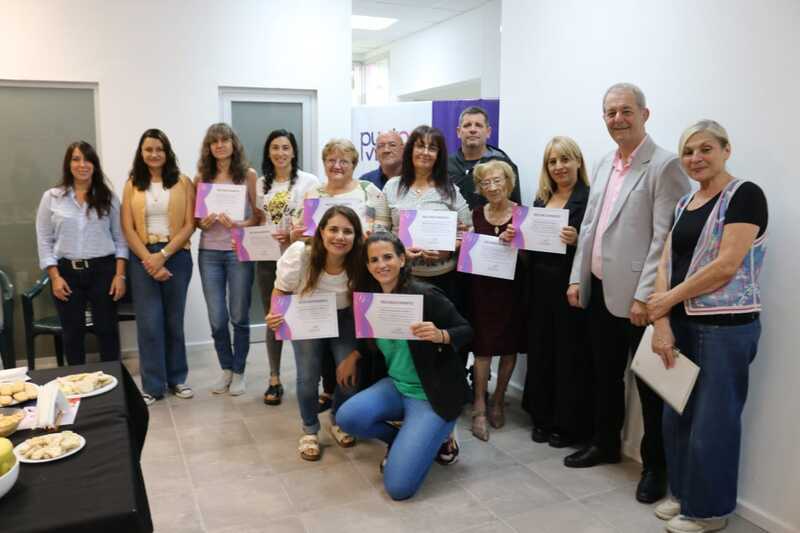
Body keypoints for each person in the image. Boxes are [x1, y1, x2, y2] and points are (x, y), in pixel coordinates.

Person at [566, 83, 690, 505]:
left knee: (651, 388)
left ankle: (655, 466)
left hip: (639, 299)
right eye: (610, 112)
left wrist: (645, 297)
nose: (617, 118)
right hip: (600, 289)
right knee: (605, 375)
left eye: (625, 111)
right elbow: (590, 227)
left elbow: (664, 238)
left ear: (644, 114)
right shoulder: (603, 162)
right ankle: (605, 444)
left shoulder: (665, 164)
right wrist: (577, 276)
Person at [647, 120, 767, 533]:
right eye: (688, 152)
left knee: (713, 423)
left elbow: (726, 266)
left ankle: (709, 511)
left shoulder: (745, 196)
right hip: (680, 323)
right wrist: (661, 317)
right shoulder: (685, 203)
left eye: (705, 149)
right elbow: (666, 262)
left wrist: (667, 300)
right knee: (675, 416)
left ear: (726, 150)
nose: (696, 158)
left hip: (725, 329)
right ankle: (682, 495)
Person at [336, 232, 472, 500]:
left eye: (387, 257)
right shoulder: (370, 300)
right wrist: (353, 356)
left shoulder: (425, 294)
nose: (381, 264)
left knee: (398, 488)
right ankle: (402, 438)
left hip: (433, 393)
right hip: (397, 385)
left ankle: (442, 434)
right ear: (367, 266)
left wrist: (441, 335)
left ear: (401, 259)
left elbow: (466, 330)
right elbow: (370, 340)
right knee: (346, 418)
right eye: (373, 260)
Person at [266, 206, 364, 461]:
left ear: (356, 236)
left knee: (348, 374)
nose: (339, 237)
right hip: (307, 315)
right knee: (308, 376)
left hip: (344, 317)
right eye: (333, 229)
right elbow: (280, 289)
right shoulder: (301, 254)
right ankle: (309, 430)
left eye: (347, 231)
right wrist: (274, 314)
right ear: (321, 231)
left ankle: (339, 421)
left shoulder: (360, 259)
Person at [521, 136, 591, 448]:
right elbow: (530, 250)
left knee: (568, 354)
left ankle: (566, 423)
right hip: (538, 287)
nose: (559, 167)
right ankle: (541, 417)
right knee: (540, 351)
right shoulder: (540, 200)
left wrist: (578, 240)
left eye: (565, 159)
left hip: (568, 287)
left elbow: (598, 247)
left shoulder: (589, 200)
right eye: (552, 161)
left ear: (578, 162)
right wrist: (517, 237)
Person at [35, 141, 129, 365]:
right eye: (76, 159)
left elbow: (121, 240)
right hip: (66, 272)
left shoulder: (109, 198)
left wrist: (119, 275)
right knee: (72, 333)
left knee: (107, 331)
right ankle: (76, 386)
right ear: (68, 164)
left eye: (87, 160)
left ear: (94, 165)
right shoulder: (52, 198)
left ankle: (113, 383)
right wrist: (55, 277)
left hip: (103, 271)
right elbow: (44, 240)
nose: (82, 164)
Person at [122, 129, 196, 406]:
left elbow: (190, 224)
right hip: (142, 256)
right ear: (141, 153)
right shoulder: (132, 184)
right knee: (149, 324)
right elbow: (127, 227)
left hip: (176, 255)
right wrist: (149, 259)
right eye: (148, 149)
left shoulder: (182, 182)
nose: (154, 154)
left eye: (159, 149)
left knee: (173, 322)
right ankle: (153, 386)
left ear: (167, 152)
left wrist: (162, 255)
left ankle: (177, 378)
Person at [255, 129, 319, 405]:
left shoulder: (310, 181)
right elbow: (259, 221)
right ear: (268, 153)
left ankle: (308, 380)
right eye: (275, 148)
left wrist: (295, 236)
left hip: (301, 259)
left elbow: (316, 224)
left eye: (285, 147)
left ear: (293, 151)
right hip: (268, 260)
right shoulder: (261, 184)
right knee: (274, 318)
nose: (280, 152)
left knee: (304, 320)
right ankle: (274, 378)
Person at [195, 123, 258, 396]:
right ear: (209, 147)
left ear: (234, 144)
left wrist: (239, 222)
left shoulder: (248, 175)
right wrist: (204, 222)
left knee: (239, 316)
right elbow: (196, 221)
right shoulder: (201, 178)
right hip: (209, 252)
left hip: (238, 251)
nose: (220, 145)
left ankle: (240, 372)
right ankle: (226, 369)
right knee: (217, 318)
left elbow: (257, 216)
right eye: (214, 141)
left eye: (225, 140)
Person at [466, 160, 526, 441]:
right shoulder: (475, 214)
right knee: (482, 349)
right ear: (479, 187)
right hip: (482, 292)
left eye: (497, 180)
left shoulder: (523, 215)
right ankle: (479, 404)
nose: (492, 187)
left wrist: (520, 242)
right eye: (485, 182)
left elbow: (533, 257)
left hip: (513, 292)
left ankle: (499, 399)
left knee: (509, 347)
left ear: (508, 182)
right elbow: (467, 256)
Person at [382, 125, 472, 298]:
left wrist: (450, 248)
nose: (425, 152)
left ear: (439, 155)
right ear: (410, 150)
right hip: (401, 275)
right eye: (420, 146)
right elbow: (381, 228)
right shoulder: (392, 186)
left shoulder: (450, 190)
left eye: (432, 148)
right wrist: (399, 251)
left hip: (444, 278)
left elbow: (468, 230)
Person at [293, 138, 391, 240]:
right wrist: (294, 236)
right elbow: (298, 231)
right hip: (317, 254)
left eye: (344, 162)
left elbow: (382, 236)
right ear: (324, 163)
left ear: (354, 165)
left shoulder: (370, 192)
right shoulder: (312, 194)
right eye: (331, 160)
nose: (337, 166)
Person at [446, 106, 521, 209]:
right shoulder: (445, 165)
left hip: (492, 224)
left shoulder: (504, 164)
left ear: (488, 132)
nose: (473, 130)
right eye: (467, 125)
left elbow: (516, 208)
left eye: (479, 125)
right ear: (459, 132)